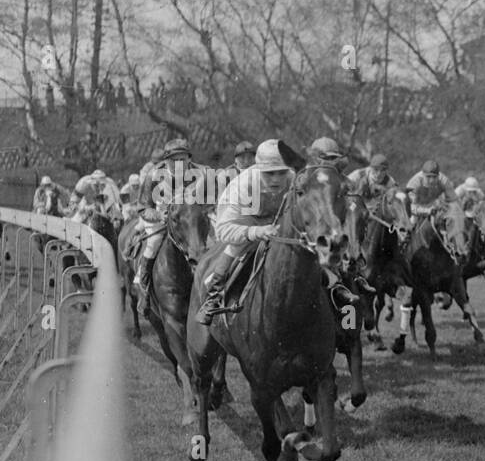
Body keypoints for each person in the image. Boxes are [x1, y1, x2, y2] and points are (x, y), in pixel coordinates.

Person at [195, 139, 356, 325]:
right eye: (269, 174)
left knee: (314, 246)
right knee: (235, 248)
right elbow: (223, 231)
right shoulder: (242, 186)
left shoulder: (294, 177)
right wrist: (256, 232)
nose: (276, 179)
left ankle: (336, 286)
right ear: (258, 169)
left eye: (281, 173)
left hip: (280, 222)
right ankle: (212, 297)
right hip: (249, 223)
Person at [132, 137, 208, 294]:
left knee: (213, 242)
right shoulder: (153, 175)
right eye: (174, 161)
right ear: (166, 161)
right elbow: (143, 208)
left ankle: (216, 286)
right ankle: (143, 284)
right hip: (161, 217)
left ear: (189, 158)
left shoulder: (201, 174)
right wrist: (160, 216)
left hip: (189, 219)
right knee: (153, 242)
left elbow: (211, 201)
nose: (179, 164)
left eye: (182, 159)